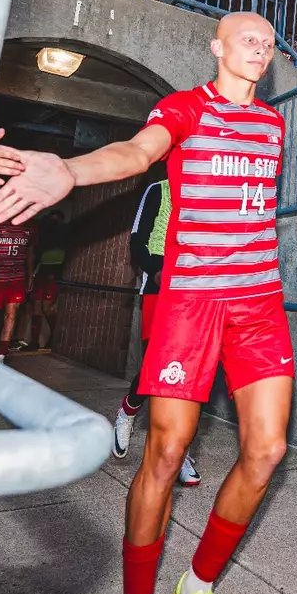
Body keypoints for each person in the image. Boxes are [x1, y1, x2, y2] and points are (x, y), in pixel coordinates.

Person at [0, 12, 291, 594]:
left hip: (258, 303)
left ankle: (197, 589)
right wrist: (70, 170)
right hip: (190, 304)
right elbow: (135, 152)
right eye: (248, 38)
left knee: (267, 451)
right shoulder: (184, 109)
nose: (261, 48)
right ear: (217, 47)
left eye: (268, 42)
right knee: (167, 453)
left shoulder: (273, 125)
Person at [112, 177, 200, 488]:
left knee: (188, 372)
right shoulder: (159, 189)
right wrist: (156, 269)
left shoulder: (206, 187)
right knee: (155, 366)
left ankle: (178, 449)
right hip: (159, 284)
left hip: (194, 285)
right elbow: (137, 239)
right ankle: (128, 411)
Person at [0, 219, 35, 359]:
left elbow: (30, 251)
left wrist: (30, 275)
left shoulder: (31, 226)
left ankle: (1, 355)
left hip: (16, 277)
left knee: (11, 314)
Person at [27, 209, 67, 351]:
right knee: (37, 306)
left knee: (46, 307)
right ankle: (34, 342)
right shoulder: (43, 234)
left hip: (54, 272)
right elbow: (35, 253)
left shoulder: (62, 235)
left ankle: (54, 337)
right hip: (42, 271)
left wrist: (57, 273)